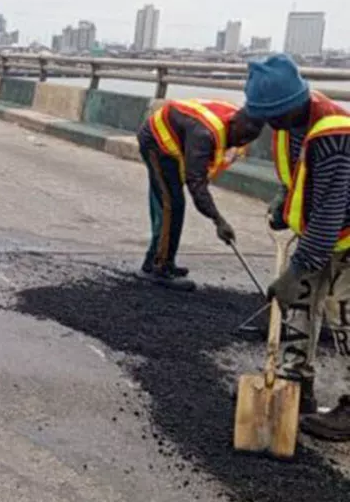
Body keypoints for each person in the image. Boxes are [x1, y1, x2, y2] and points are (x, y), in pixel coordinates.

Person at [244, 54, 350, 438]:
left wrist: (296, 268)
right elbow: (300, 175)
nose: (267, 124)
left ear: (290, 105)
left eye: (272, 116)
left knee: (343, 314)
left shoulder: (334, 134)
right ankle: (295, 383)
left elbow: (330, 212)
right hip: (323, 232)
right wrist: (283, 200)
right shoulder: (292, 124)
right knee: (302, 305)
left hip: (344, 231)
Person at [136, 99, 259, 291]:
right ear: (233, 123)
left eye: (248, 139)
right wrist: (218, 220)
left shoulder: (240, 127)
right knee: (172, 204)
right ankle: (159, 269)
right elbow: (196, 184)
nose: (241, 143)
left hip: (177, 141)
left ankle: (156, 259)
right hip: (156, 143)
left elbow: (203, 172)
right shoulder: (204, 133)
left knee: (171, 202)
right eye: (240, 137)